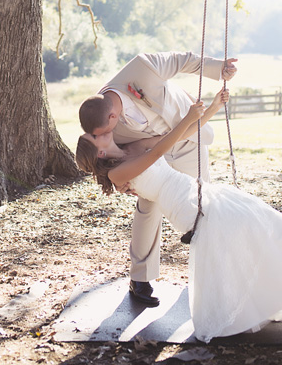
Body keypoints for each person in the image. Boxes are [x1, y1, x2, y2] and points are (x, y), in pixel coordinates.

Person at [76, 90, 282, 343]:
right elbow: (160, 151)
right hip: (189, 210)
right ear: (99, 151)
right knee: (254, 227)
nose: (98, 130)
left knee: (262, 218)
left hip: (202, 193)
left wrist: (209, 109)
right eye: (94, 134)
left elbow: (174, 136)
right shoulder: (117, 174)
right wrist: (188, 115)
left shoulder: (132, 148)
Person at [78, 50, 238, 306]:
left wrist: (218, 68)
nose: (110, 134)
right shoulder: (99, 120)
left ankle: (211, 271)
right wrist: (121, 182)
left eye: (106, 131)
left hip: (188, 137)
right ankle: (140, 278)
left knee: (203, 202)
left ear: (113, 116)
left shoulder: (141, 69)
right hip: (147, 155)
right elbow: (101, 158)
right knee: (148, 206)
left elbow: (182, 60)